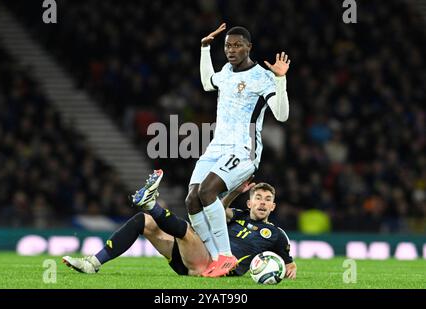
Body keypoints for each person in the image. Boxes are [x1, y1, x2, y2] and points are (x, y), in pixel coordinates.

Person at [185, 23, 291, 276]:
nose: (231, 50)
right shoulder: (225, 71)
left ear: (249, 47)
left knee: (208, 190)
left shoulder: (262, 77)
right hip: (216, 147)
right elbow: (207, 84)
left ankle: (226, 256)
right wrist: (204, 48)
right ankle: (214, 256)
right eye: (227, 46)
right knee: (191, 199)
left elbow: (282, 114)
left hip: (244, 150)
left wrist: (280, 78)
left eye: (237, 45)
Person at [63, 170, 297, 279]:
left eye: (268, 200)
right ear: (250, 202)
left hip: (214, 266)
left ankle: (152, 203)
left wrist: (288, 269)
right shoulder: (236, 215)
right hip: (194, 257)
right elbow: (214, 210)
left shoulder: (276, 235)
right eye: (258, 198)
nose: (263, 203)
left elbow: (290, 264)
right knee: (143, 222)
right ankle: (93, 263)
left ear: (273, 207)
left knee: (187, 231)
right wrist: (235, 191)